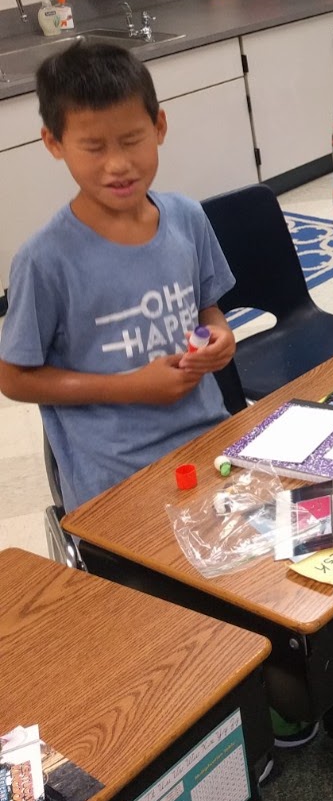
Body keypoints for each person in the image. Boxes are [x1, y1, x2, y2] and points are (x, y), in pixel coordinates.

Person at [0, 42, 237, 513]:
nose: (118, 164)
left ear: (159, 126)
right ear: (54, 143)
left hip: (208, 440)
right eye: (93, 147)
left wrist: (221, 335)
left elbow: (206, 308)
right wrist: (129, 387)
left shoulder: (187, 218)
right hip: (115, 476)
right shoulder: (45, 260)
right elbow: (13, 378)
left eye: (131, 140)